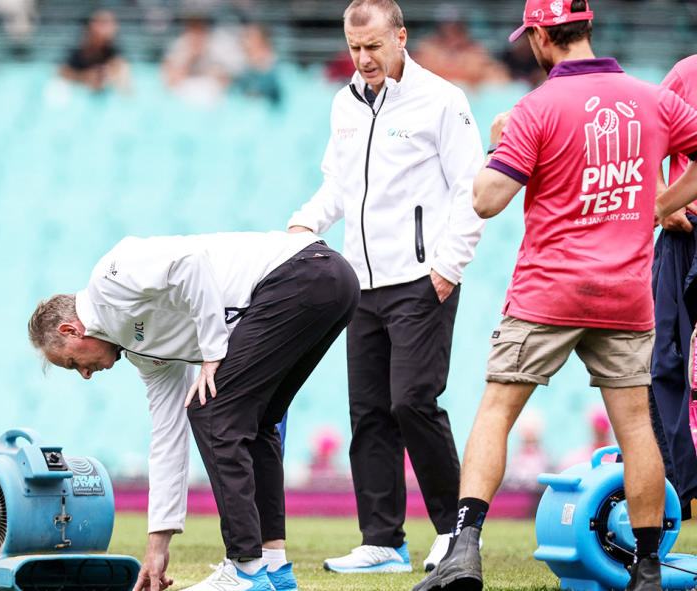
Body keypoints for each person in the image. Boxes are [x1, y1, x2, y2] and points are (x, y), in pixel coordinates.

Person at [411, 1, 697, 590]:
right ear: (587, 28)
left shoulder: (533, 108)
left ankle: (464, 549)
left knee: (496, 412)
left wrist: (497, 144)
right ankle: (645, 568)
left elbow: (487, 200)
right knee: (636, 428)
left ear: (542, 36)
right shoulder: (654, 99)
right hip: (624, 295)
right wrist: (657, 207)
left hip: (547, 291)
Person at [28, 231, 359, 591]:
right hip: (328, 284)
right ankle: (274, 570)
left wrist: (213, 352)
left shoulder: (109, 278)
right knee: (256, 422)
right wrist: (158, 545)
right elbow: (168, 438)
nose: (86, 375)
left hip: (306, 275)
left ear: (70, 330)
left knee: (213, 409)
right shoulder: (144, 355)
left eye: (74, 363)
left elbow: (191, 262)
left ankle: (244, 572)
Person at [286, 0, 485, 574]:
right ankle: (382, 542)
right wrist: (305, 222)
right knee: (369, 412)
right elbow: (337, 187)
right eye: (354, 47)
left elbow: (470, 189)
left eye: (373, 46)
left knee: (412, 404)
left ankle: (455, 534)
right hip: (360, 284)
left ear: (401, 37)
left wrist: (450, 266)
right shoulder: (343, 103)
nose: (363, 59)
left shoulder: (442, 100)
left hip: (423, 280)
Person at [649, 54, 697, 521]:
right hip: (685, 232)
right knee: (663, 361)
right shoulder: (685, 73)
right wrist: (665, 203)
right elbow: (648, 144)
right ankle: (674, 492)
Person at [60, 10, 131, 93]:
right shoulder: (77, 51)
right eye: (102, 23)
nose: (107, 28)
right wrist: (84, 77)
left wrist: (106, 77)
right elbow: (62, 73)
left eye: (110, 24)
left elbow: (126, 88)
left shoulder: (116, 54)